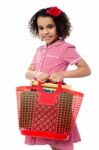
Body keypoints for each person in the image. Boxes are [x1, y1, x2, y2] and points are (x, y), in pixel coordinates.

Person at [25, 6, 91, 150]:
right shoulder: (39, 50)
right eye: (41, 28)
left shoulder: (65, 48)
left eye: (50, 26)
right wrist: (36, 74)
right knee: (50, 137)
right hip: (39, 98)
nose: (45, 32)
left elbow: (86, 69)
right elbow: (28, 72)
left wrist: (63, 74)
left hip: (57, 99)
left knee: (61, 139)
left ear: (59, 26)